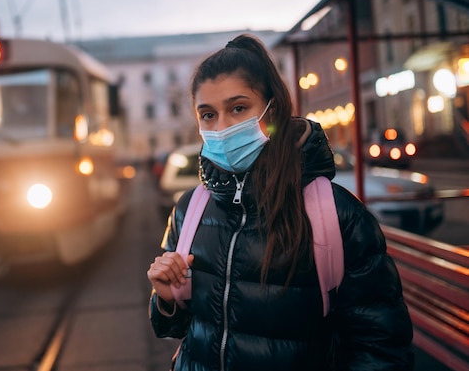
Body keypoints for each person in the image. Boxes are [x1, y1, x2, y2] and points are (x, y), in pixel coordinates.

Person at [146, 34, 414, 371]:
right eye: (208, 115)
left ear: (273, 108)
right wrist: (167, 299)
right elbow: (176, 329)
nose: (222, 127)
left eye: (238, 108)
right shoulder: (191, 208)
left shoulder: (335, 213)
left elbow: (381, 347)